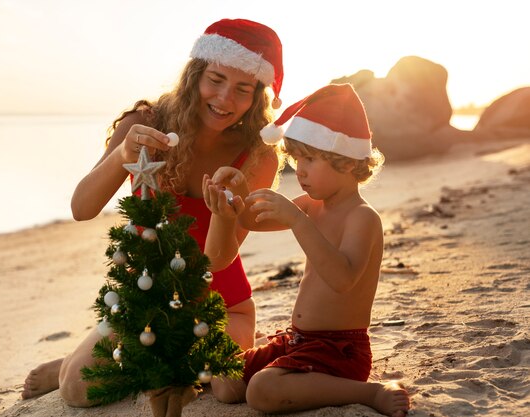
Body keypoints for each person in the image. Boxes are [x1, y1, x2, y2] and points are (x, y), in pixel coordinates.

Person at [21, 18, 285, 407]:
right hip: (145, 301)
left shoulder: (257, 156)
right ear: (195, 74)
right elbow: (82, 208)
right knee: (77, 390)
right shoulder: (143, 125)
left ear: (256, 96)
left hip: (220, 303)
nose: (226, 98)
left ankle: (138, 355)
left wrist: (226, 213)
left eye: (243, 89)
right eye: (215, 79)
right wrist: (121, 158)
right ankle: (81, 360)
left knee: (223, 385)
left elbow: (219, 259)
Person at [202, 84, 411, 417]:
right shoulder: (314, 206)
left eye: (310, 159)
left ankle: (370, 392)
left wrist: (299, 221)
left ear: (346, 161)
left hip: (339, 350)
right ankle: (282, 362)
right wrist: (238, 190)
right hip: (298, 340)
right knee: (224, 382)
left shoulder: (362, 217)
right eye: (297, 159)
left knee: (261, 391)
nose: (299, 170)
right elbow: (252, 221)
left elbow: (342, 278)